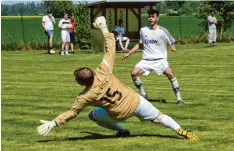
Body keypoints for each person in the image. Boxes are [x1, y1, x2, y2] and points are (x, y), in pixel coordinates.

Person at [37, 16, 197, 140]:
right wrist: (105, 29)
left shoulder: (85, 96)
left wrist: (54, 122)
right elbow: (110, 48)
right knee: (159, 117)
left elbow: (72, 113)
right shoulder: (103, 70)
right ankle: (179, 130)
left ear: (81, 82)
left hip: (119, 114)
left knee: (92, 115)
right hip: (135, 101)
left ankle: (122, 130)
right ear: (92, 72)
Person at [122, 9, 183, 105]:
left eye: (153, 16)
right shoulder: (143, 30)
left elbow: (172, 41)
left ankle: (179, 99)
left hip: (160, 60)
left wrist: (173, 46)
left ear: (157, 18)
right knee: (134, 73)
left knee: (170, 73)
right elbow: (139, 44)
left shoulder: (163, 31)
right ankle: (143, 94)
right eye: (149, 16)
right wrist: (128, 53)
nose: (150, 18)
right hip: (146, 60)